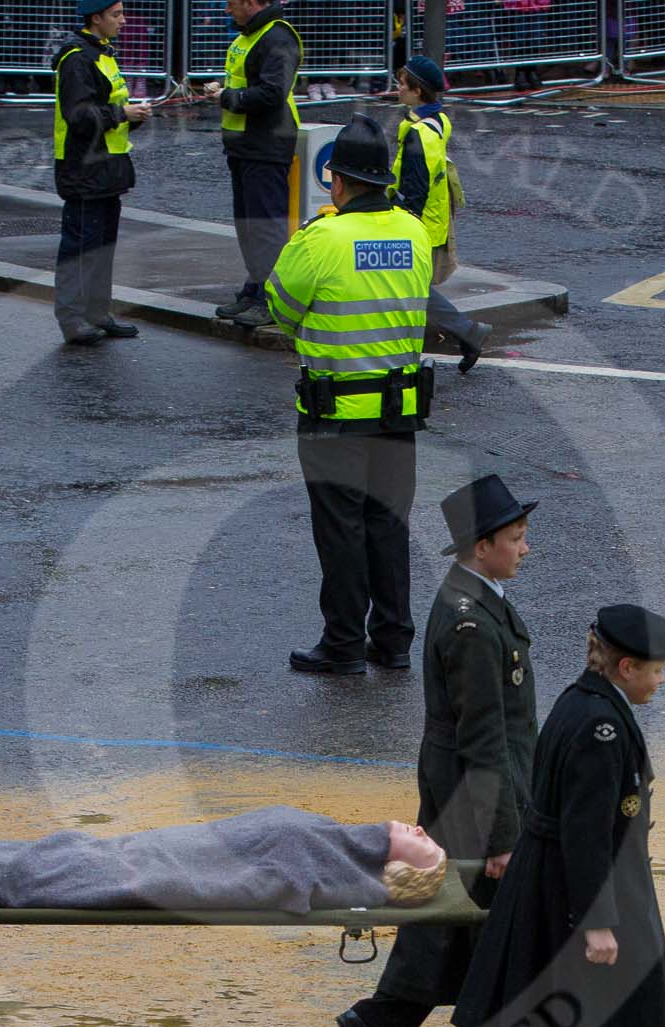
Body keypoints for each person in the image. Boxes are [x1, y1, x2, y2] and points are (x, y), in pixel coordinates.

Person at [339, 476, 593, 1027]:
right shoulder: (471, 624)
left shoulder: (476, 600)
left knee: (465, 921)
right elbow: (484, 738)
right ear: (482, 547)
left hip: (474, 790)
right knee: (496, 920)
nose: (525, 548)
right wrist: (503, 835)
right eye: (516, 538)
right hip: (477, 798)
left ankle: (382, 1023)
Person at [431, 606, 665, 1027]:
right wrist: (598, 921)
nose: (662, 680)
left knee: (594, 1017)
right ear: (626, 667)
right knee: (589, 1018)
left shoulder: (587, 703)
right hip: (591, 890)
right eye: (657, 670)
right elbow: (585, 830)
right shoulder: (601, 729)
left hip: (569, 884)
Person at [264, 114, 434, 675]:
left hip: (334, 412)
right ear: (383, 180)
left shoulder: (323, 238)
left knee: (341, 531)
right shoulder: (412, 231)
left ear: (336, 181)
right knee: (389, 525)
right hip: (399, 410)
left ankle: (342, 644)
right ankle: (394, 640)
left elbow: (280, 309)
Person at [0, 809, 450, 913]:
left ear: (401, 866)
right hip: (138, 853)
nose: (420, 828)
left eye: (425, 843)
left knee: (15, 871)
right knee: (23, 855)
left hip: (137, 871)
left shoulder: (324, 866)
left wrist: (149, 874)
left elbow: (254, 885)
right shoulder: (333, 844)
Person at [53, 0, 153, 346]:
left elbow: (108, 115)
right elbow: (79, 117)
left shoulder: (102, 53)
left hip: (107, 169)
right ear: (96, 19)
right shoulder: (78, 58)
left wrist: (131, 116)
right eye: (116, 15)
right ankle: (72, 318)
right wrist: (123, 113)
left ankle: (96, 313)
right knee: (81, 247)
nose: (124, 21)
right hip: (84, 168)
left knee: (102, 246)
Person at [389, 56, 493, 373]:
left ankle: (468, 332)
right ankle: (467, 333)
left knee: (410, 289)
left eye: (402, 84)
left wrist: (400, 225)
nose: (397, 88)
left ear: (417, 91)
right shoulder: (436, 122)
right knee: (412, 289)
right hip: (430, 225)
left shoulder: (419, 135)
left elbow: (414, 190)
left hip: (418, 227)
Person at [203, 0, 302, 329]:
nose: (227, 10)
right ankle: (255, 288)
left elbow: (272, 94)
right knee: (249, 226)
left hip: (266, 145)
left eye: (232, 4)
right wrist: (225, 92)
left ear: (250, 2)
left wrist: (226, 97)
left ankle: (271, 300)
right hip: (245, 145)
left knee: (266, 227)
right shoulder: (250, 35)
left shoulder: (277, 38)